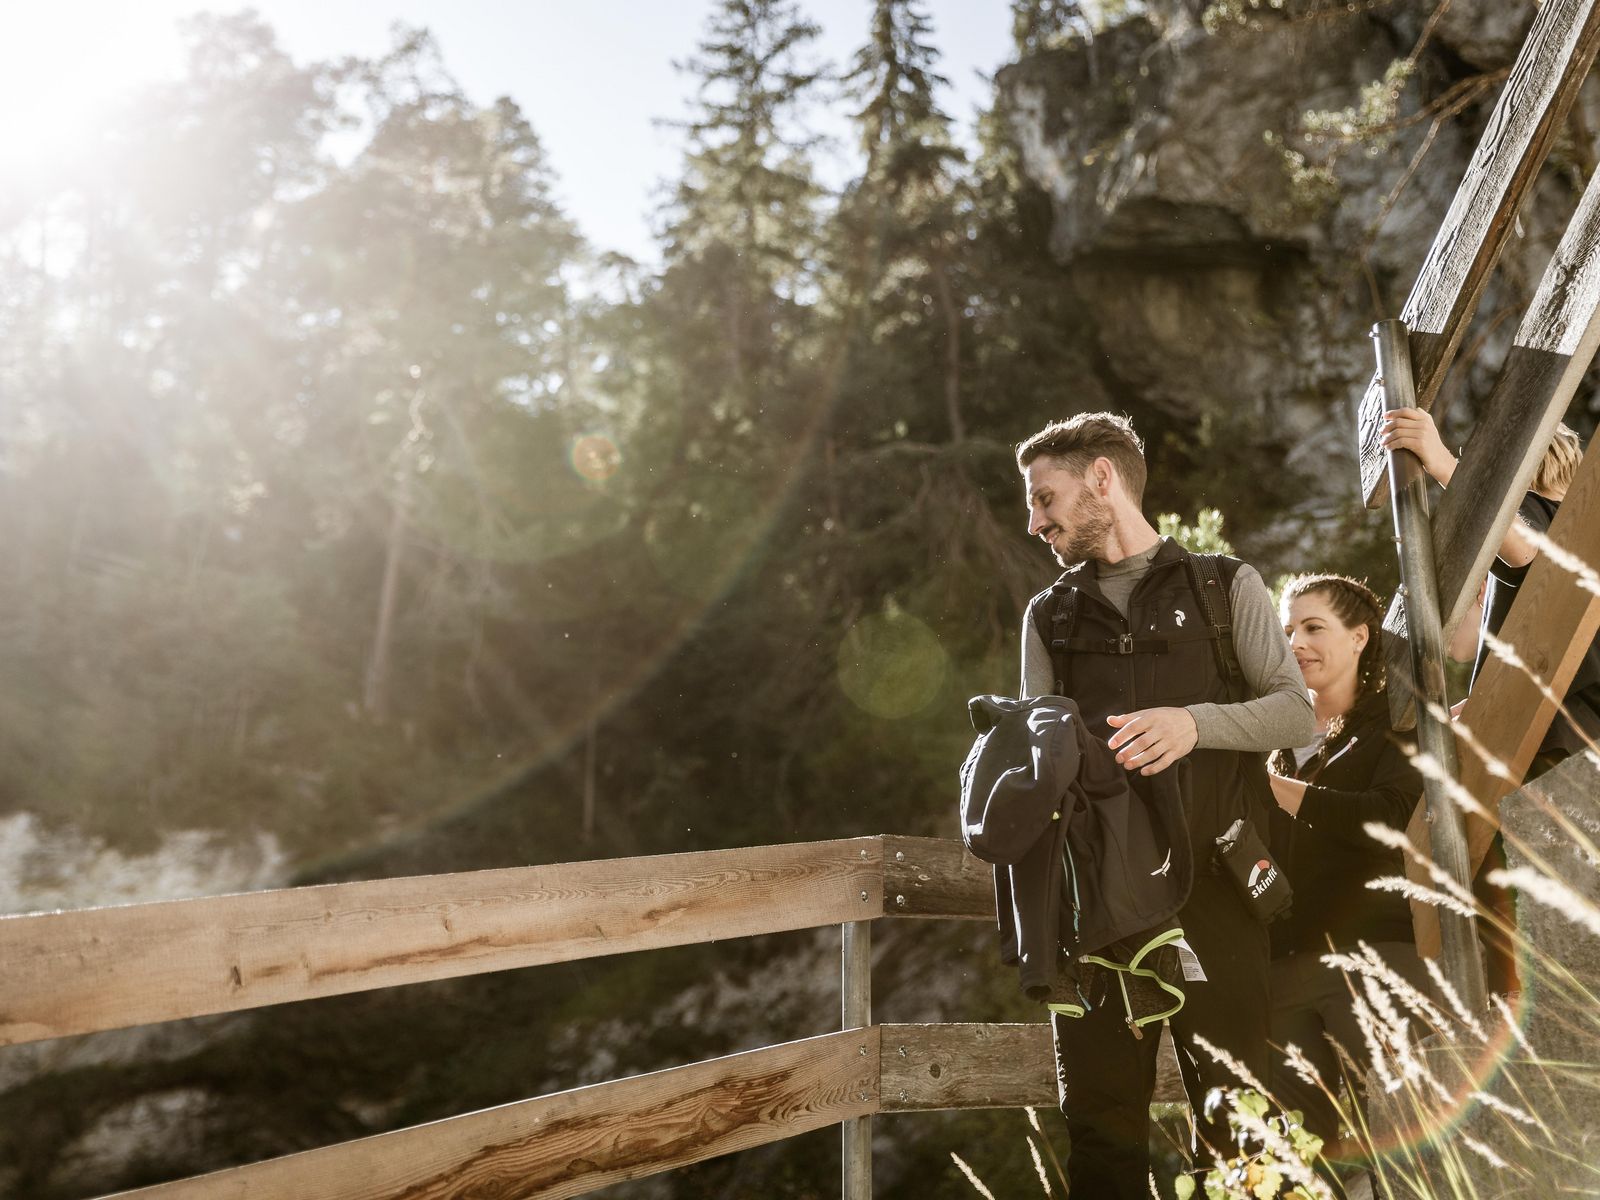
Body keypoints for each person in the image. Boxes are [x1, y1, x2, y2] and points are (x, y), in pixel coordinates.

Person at [1017, 412, 1315, 1198]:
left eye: (1046, 498)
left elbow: (1296, 713)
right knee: (1101, 1134)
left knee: (1240, 1123)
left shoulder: (1225, 586)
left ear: (1102, 481)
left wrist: (1194, 725)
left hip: (1218, 895)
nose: (1034, 520)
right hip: (1099, 912)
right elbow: (1036, 769)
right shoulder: (1047, 617)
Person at [1382, 410, 1595, 994]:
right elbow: (1486, 644)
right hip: (1555, 751)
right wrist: (1478, 704)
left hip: (1563, 754)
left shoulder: (1552, 522)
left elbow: (1524, 548)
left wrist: (1445, 461)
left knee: (1551, 932)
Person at [1265, 574, 1428, 1148]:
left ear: (1360, 637)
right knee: (1306, 1155)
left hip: (1374, 961)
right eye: (1287, 631)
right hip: (1282, 970)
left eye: (1313, 628)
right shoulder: (1274, 739)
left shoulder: (1399, 721)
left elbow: (1389, 817)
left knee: (1405, 1145)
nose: (1296, 644)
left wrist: (1275, 791)